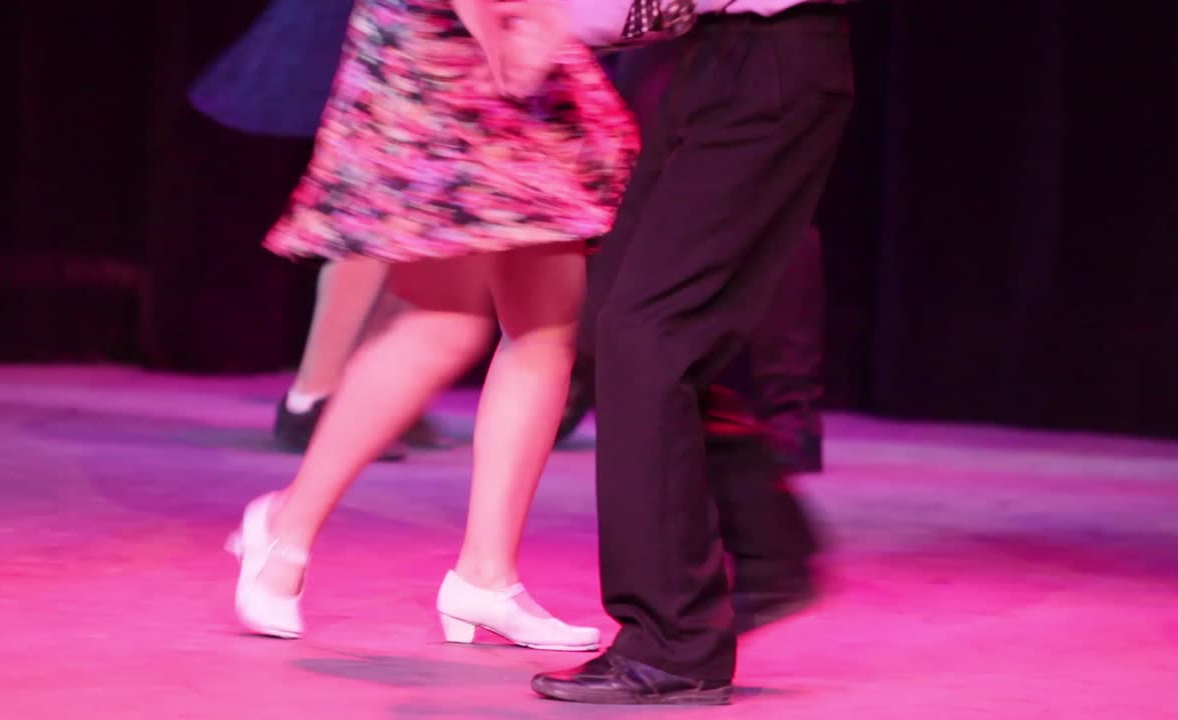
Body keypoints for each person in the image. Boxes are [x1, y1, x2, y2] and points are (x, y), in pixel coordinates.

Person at [225, 0, 638, 653]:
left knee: (545, 330)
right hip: (444, 50)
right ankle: (283, 525)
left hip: (522, 49)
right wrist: (497, 22)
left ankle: (486, 577)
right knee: (444, 321)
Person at [531, 0, 854, 705]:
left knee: (648, 333)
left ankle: (674, 644)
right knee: (609, 327)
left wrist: (562, 19)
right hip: (714, 60)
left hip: (769, 59)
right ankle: (767, 550)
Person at [188, 0, 446, 459]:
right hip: (395, 34)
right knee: (376, 211)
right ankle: (315, 397)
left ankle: (365, 393)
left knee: (421, 221)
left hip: (446, 41)